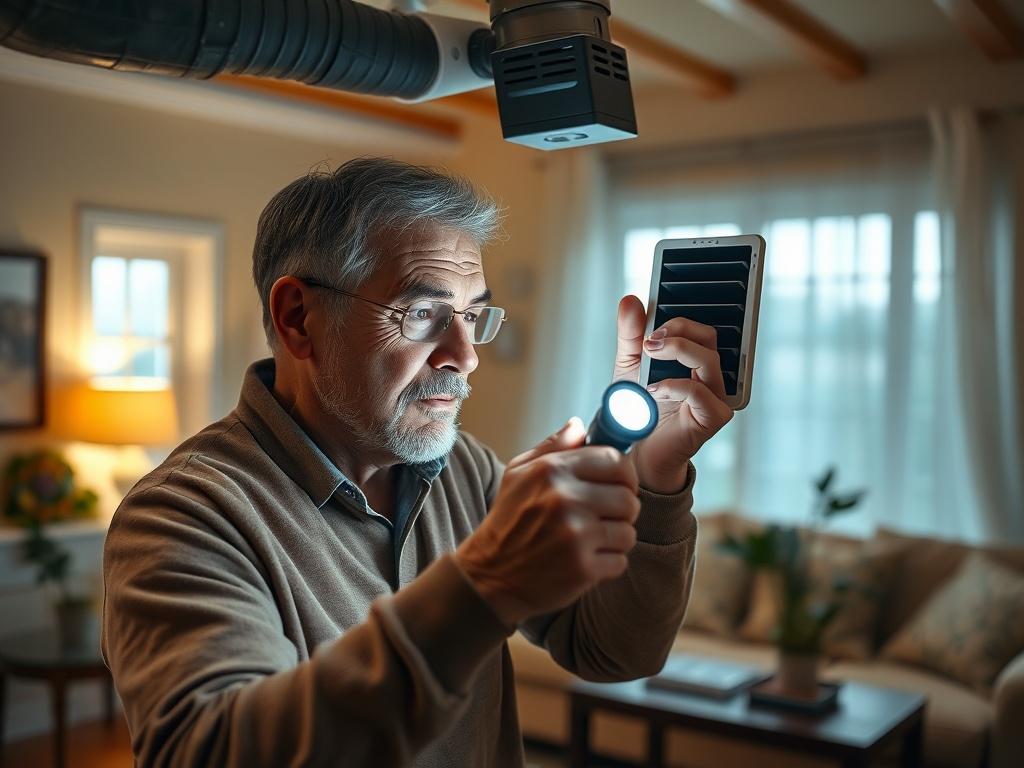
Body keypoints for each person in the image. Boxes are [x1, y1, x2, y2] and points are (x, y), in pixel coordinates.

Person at [102, 157, 733, 767]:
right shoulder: (181, 518)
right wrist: (486, 583)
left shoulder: (466, 471)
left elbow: (614, 653)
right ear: (298, 319)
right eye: (424, 313)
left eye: (471, 315)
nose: (465, 354)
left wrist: (655, 475)